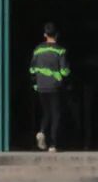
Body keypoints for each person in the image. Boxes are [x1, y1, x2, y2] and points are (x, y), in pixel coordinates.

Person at [30, 21, 70, 152]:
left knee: (46, 112)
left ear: (45, 34)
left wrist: (35, 83)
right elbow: (64, 71)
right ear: (57, 35)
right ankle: (53, 144)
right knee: (55, 114)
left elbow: (32, 69)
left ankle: (42, 131)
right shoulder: (60, 50)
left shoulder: (38, 49)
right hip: (55, 86)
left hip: (41, 86)